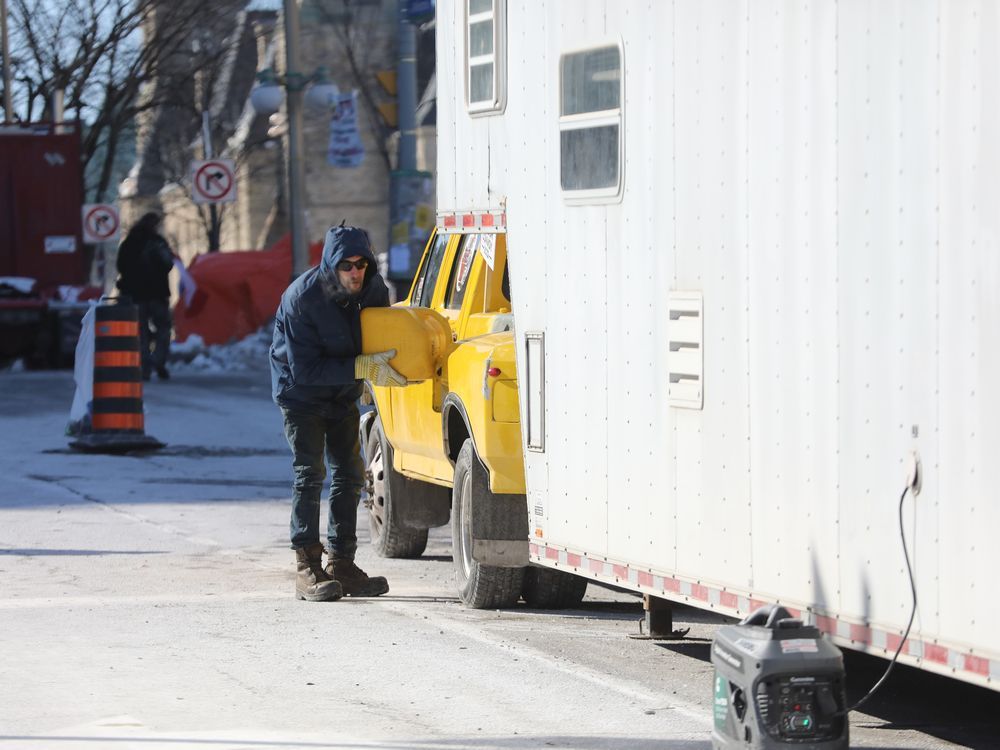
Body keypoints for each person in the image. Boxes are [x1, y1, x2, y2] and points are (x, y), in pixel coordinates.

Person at [269, 224, 407, 602]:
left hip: (341, 393)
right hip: (300, 394)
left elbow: (382, 336)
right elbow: (305, 370)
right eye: (346, 265)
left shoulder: (373, 290)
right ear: (331, 265)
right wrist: (361, 367)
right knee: (310, 474)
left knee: (349, 473)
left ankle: (341, 563)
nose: (355, 271)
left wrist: (377, 375)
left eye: (361, 263)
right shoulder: (302, 299)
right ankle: (306, 566)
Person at [116, 212, 175, 381]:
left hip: (135, 296)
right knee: (163, 329)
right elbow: (168, 264)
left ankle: (144, 366)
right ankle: (159, 360)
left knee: (139, 332)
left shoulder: (129, 243)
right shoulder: (158, 243)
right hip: (158, 295)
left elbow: (121, 266)